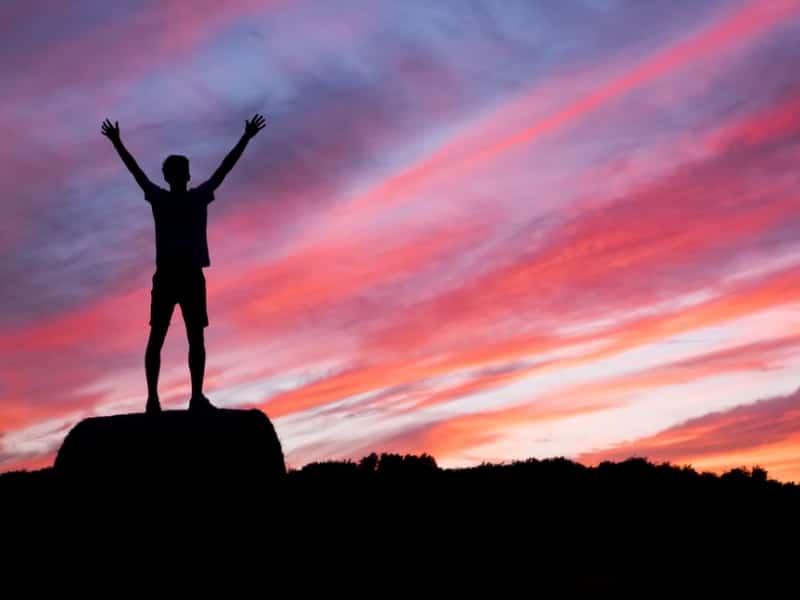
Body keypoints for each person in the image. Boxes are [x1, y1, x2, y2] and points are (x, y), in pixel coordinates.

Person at [101, 114, 267, 413]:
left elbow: (224, 169)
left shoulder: (191, 197)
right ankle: (155, 398)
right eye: (176, 171)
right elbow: (136, 171)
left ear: (184, 175)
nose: (180, 174)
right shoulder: (166, 198)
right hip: (171, 274)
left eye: (181, 170)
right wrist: (117, 143)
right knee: (162, 336)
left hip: (188, 274)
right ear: (173, 176)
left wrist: (246, 138)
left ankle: (194, 397)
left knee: (190, 337)